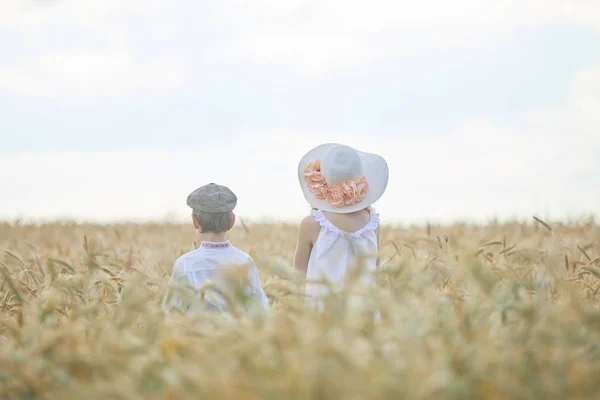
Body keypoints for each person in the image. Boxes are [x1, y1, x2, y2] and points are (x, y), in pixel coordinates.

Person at [294, 144, 388, 310]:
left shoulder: (311, 225)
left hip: (321, 311)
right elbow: (375, 270)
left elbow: (299, 276)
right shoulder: (372, 224)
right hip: (362, 311)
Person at [162, 183, 269, 315]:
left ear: (195, 221)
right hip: (238, 334)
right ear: (232, 221)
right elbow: (260, 309)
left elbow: (171, 312)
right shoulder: (245, 261)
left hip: (195, 334)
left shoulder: (185, 264)